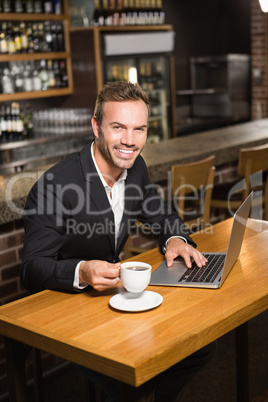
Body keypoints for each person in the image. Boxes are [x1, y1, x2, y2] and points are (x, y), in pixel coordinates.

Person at [21, 81, 213, 401]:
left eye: (139, 129)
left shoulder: (135, 168)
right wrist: (82, 271)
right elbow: (31, 269)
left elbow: (160, 213)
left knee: (200, 347)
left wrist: (177, 239)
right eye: (118, 127)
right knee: (136, 383)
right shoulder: (55, 185)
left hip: (114, 303)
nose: (129, 141)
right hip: (68, 309)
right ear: (96, 126)